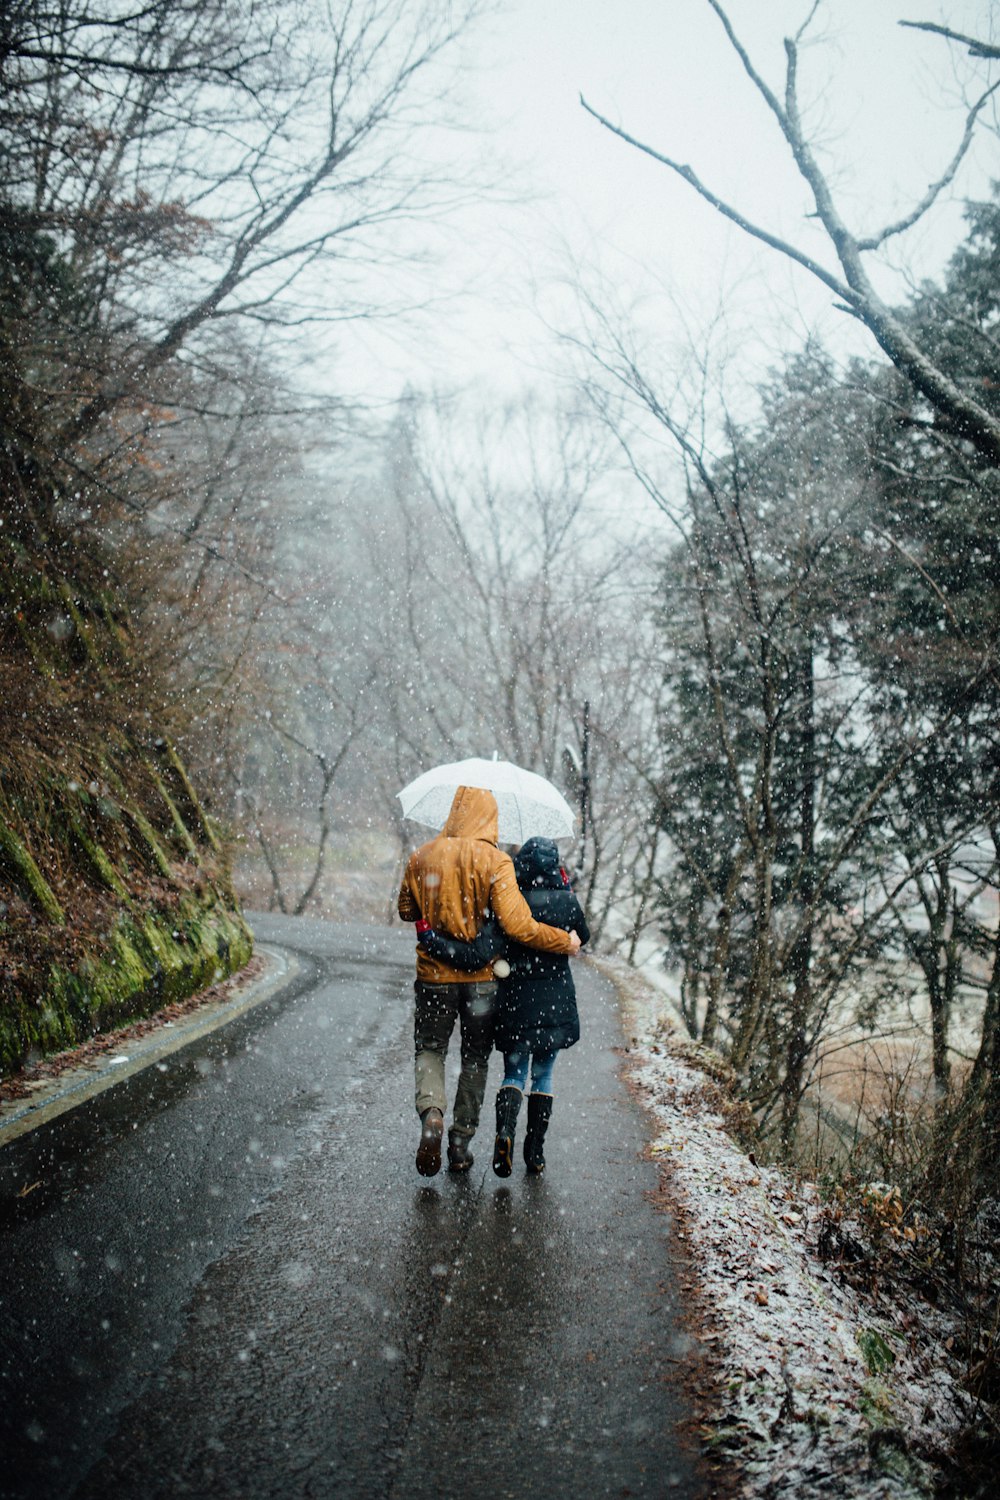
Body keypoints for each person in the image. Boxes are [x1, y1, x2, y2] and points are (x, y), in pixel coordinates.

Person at [397, 787, 581, 1178]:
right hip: (481, 983)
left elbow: (405, 909)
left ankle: (432, 1112)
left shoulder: (421, 855)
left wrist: (436, 910)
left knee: (430, 1050)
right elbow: (519, 926)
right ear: (490, 819)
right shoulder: (496, 861)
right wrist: (563, 940)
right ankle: (461, 1142)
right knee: (475, 1059)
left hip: (433, 979)